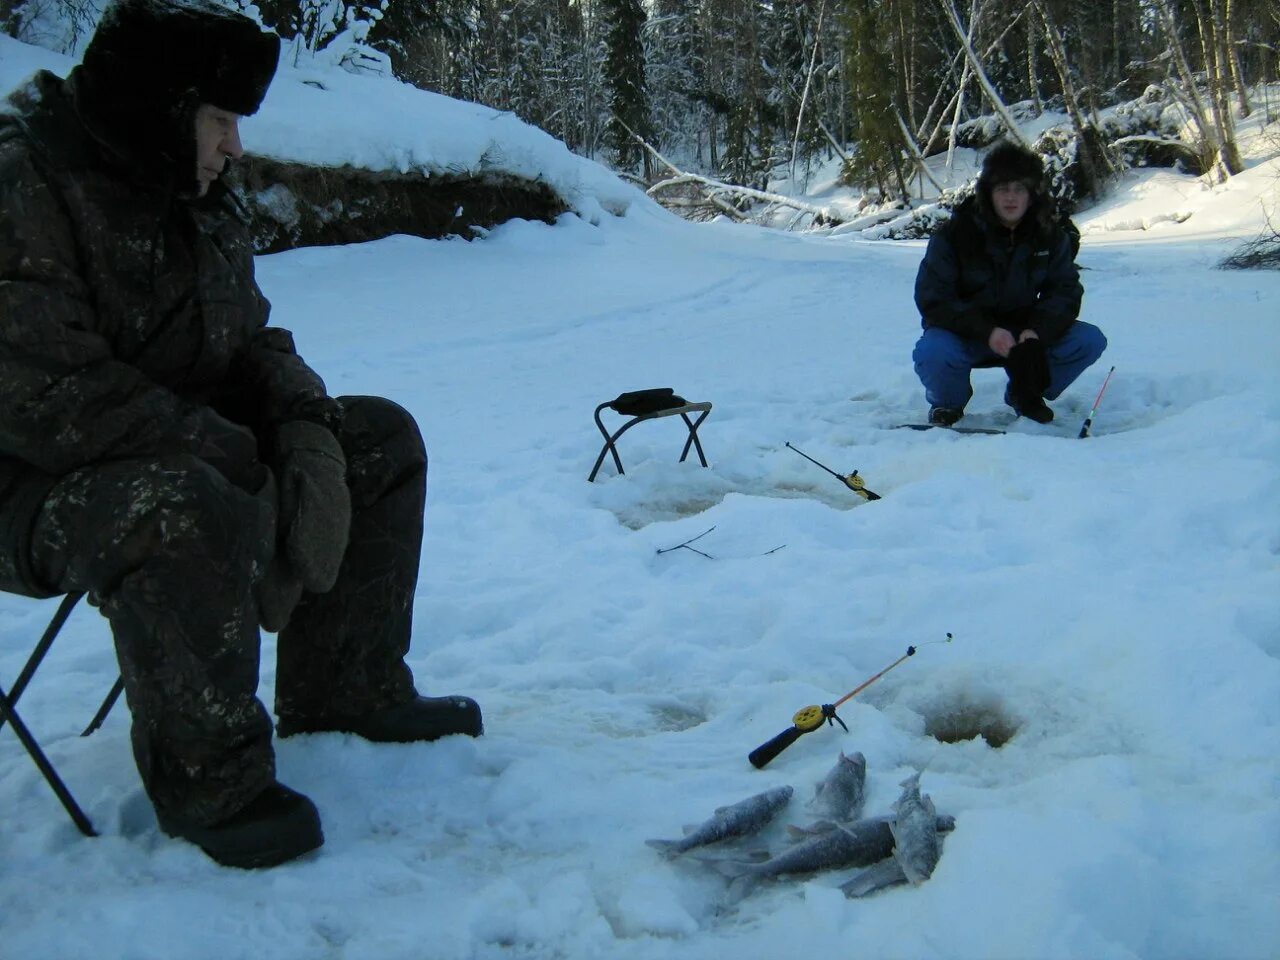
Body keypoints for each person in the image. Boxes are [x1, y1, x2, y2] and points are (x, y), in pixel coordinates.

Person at [0, 0, 481, 869]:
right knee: (181, 500)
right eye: (221, 119)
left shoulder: (194, 184)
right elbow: (46, 396)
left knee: (375, 440)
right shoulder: (20, 185)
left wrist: (302, 421)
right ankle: (210, 779)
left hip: (172, 447)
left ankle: (346, 689)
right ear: (160, 106)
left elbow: (246, 336)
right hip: (26, 482)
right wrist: (225, 453)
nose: (237, 147)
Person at [912, 140, 1106, 426]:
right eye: (1003, 189)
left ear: (1031, 194)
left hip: (1024, 336)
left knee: (1088, 340)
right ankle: (948, 405)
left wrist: (1037, 331)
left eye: (1019, 189)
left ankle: (1024, 392)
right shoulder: (954, 234)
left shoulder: (1050, 234)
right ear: (988, 194)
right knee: (934, 351)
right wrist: (986, 331)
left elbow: (1065, 290)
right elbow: (933, 298)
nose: (1011, 198)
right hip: (967, 335)